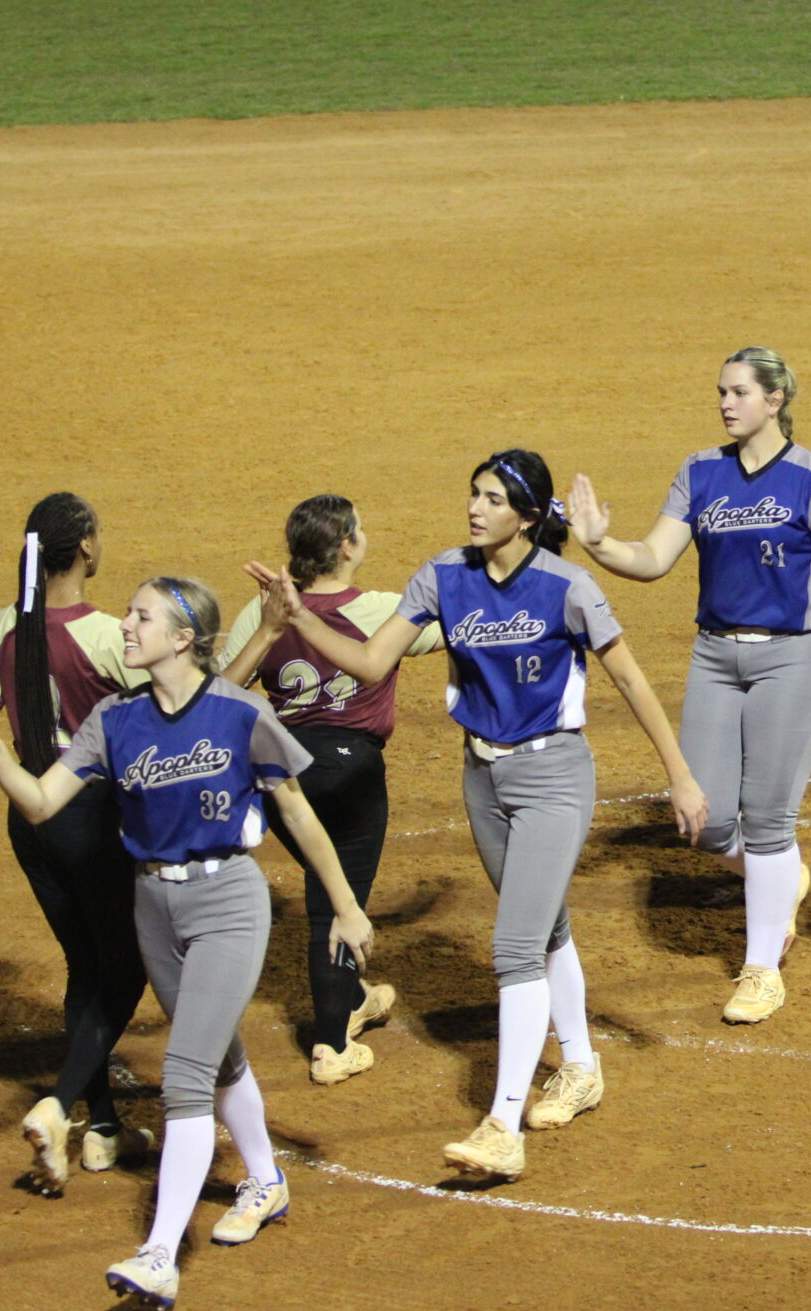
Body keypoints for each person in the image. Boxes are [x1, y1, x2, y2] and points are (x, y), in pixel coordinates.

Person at [254, 451, 705, 1181]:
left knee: (515, 947)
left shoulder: (567, 586)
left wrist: (679, 775)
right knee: (544, 925)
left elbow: (628, 675)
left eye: (493, 498)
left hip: (554, 774)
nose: (475, 507)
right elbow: (371, 665)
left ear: (527, 516)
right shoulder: (443, 576)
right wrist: (300, 616)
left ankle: (502, 1123)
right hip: (482, 779)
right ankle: (583, 1066)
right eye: (474, 493)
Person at [0, 577, 372, 1311]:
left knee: (183, 1076)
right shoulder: (115, 721)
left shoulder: (242, 714)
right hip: (154, 906)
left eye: (142, 615)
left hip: (228, 904)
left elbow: (297, 814)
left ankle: (159, 1255)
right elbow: (43, 801)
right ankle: (267, 1178)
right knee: (219, 1058)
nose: (126, 622)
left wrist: (345, 905)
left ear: (184, 638)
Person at [569, 348, 811, 1023]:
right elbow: (653, 557)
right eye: (721, 391)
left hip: (793, 662)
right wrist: (600, 543)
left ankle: (761, 969)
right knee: (706, 822)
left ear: (775, 400)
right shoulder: (700, 471)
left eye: (740, 391)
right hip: (716, 657)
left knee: (769, 821)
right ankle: (782, 879)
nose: (725, 403)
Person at [0, 493, 151, 1193]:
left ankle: (103, 1128)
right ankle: (62, 1101)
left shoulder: (4, 627)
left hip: (28, 819)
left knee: (85, 962)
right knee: (125, 969)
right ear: (84, 549)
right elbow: (179, 705)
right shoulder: (109, 635)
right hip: (93, 820)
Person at [219, 495, 440, 1085]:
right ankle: (330, 1045)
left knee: (327, 881)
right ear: (346, 547)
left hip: (278, 776)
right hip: (351, 773)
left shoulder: (260, 611)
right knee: (335, 908)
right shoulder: (380, 611)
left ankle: (355, 997)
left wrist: (271, 626)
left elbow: (218, 692)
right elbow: (457, 631)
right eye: (360, 529)